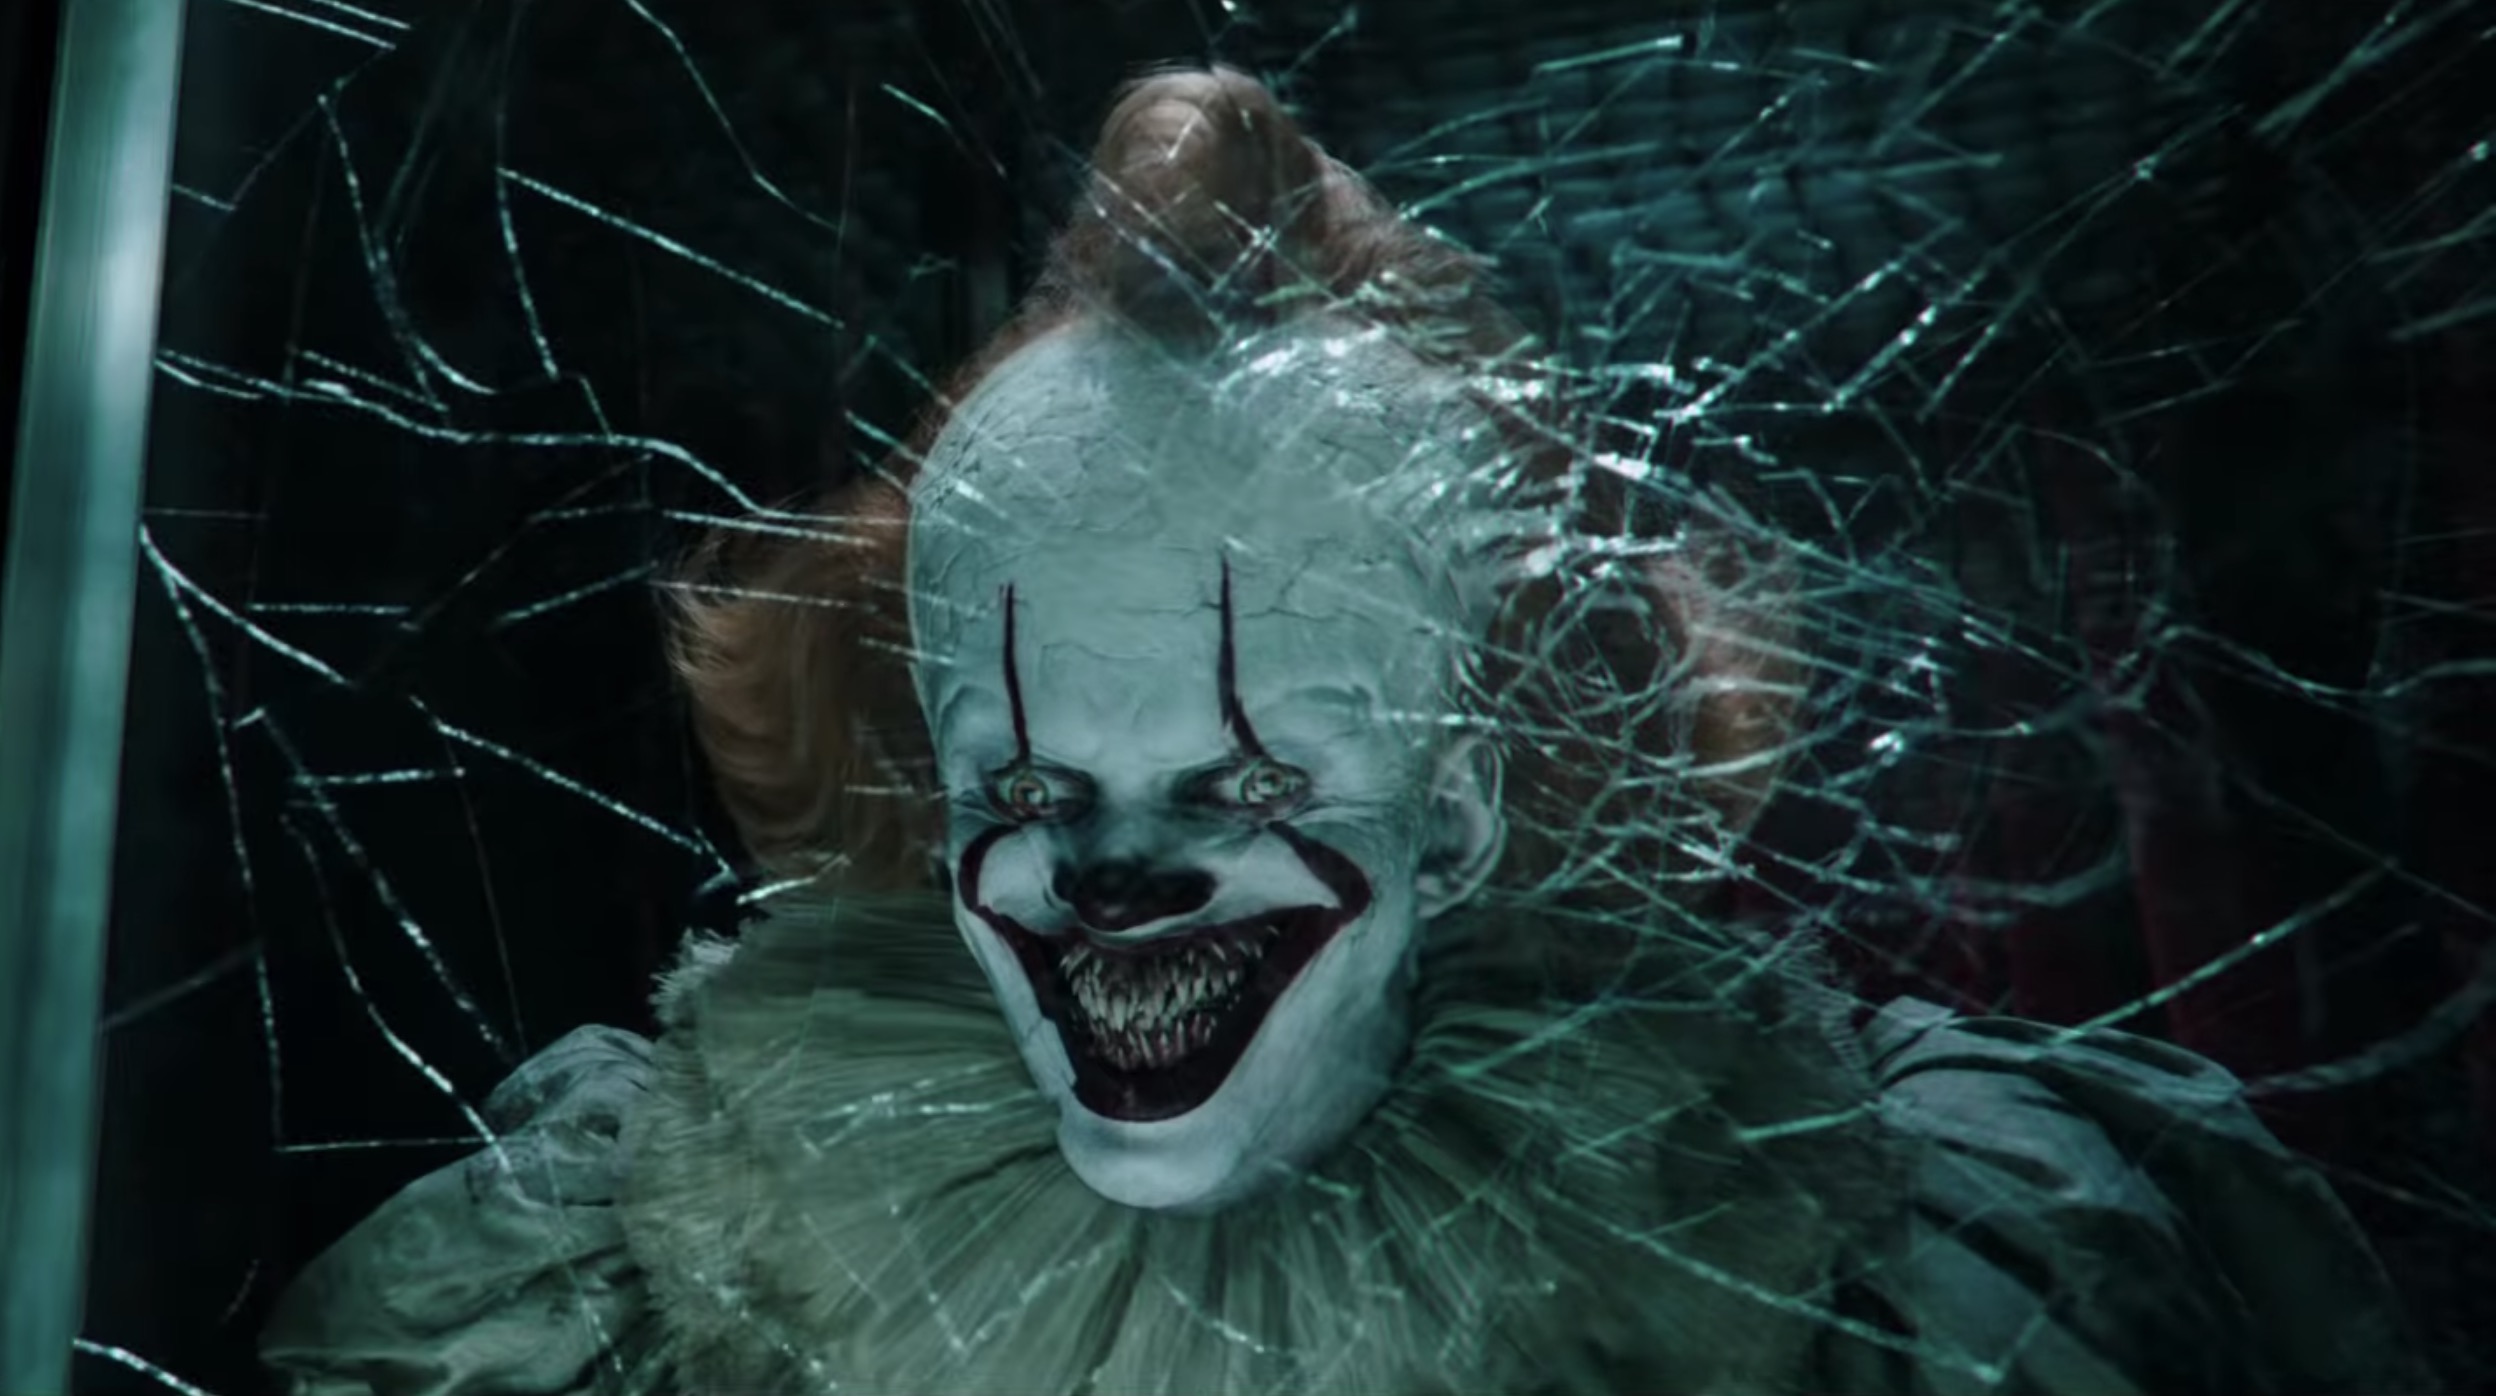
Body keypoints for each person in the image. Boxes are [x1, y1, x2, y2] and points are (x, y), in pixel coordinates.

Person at [261, 66, 2428, 1395]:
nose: (1109, 880)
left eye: (1246, 781)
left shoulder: (1905, 1277)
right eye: (1027, 783)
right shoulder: (645, 1260)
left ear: (1462, 810)